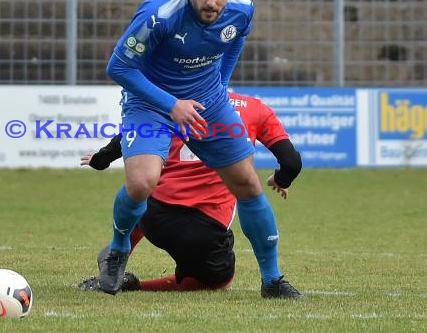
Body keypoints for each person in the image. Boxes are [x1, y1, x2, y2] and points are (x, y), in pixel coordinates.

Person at [100, 0, 283, 296]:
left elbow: (236, 38)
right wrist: (172, 105)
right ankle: (117, 249)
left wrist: (220, 86)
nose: (212, 1)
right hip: (151, 103)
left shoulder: (242, 8)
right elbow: (118, 68)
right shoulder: (158, 15)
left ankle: (273, 280)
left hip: (206, 100)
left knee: (247, 183)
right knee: (142, 183)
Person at [79, 92, 304, 298]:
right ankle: (137, 285)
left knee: (143, 193)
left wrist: (102, 158)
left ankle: (116, 256)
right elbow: (292, 162)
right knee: (219, 281)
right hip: (202, 231)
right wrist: (282, 180)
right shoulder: (255, 108)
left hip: (152, 214)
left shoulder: (178, 105)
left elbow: (136, 133)